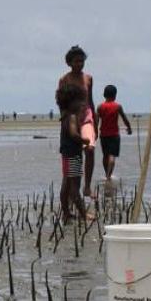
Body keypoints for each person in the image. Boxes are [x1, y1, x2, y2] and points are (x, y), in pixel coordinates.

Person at [58, 46, 97, 197]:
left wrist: (96, 125)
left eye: (82, 61)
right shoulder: (64, 79)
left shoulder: (88, 78)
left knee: (90, 149)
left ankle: (87, 187)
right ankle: (72, 193)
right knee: (73, 159)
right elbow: (61, 102)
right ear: (69, 62)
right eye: (76, 61)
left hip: (86, 117)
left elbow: (91, 101)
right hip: (71, 118)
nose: (79, 64)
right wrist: (65, 122)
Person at [57, 85, 89, 220]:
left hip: (66, 154)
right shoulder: (72, 117)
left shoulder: (64, 116)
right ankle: (83, 214)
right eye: (81, 101)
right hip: (73, 156)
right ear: (72, 103)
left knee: (66, 183)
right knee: (74, 187)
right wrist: (84, 140)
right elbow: (73, 133)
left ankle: (66, 212)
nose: (83, 104)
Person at [96, 84, 133, 182]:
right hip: (114, 135)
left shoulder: (100, 107)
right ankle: (109, 175)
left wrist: (94, 133)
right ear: (115, 95)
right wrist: (129, 128)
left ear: (104, 94)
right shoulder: (117, 106)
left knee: (105, 156)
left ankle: (107, 174)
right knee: (112, 156)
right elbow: (124, 118)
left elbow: (96, 121)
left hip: (103, 135)